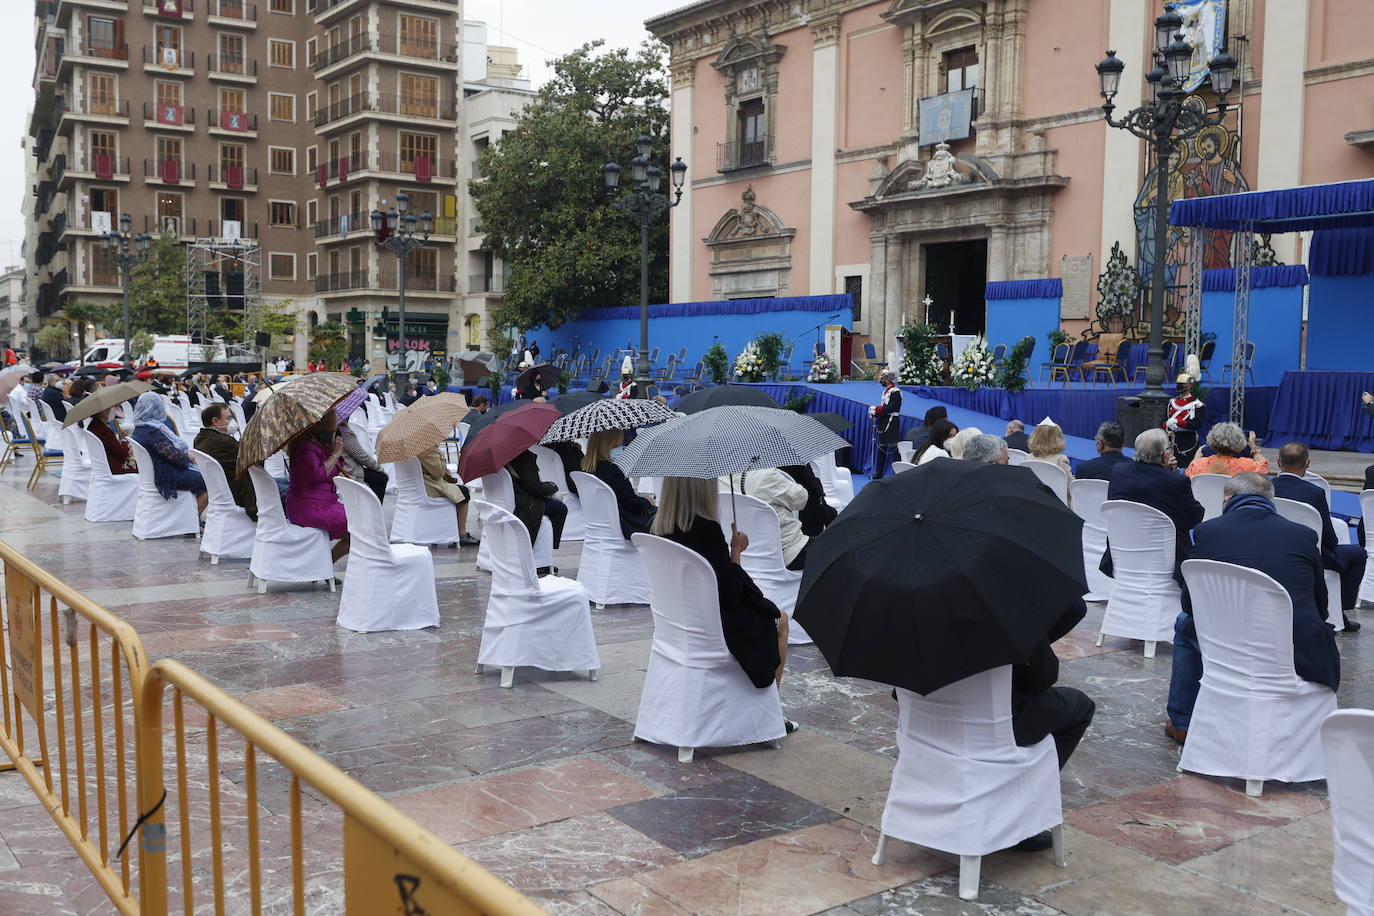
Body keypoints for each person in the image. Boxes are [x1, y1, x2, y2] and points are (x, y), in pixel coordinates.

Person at [1164, 473, 1340, 745]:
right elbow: (1322, 607)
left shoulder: (1208, 533)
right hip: (1293, 651)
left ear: (1227, 500)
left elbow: (1190, 603)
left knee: (1185, 622)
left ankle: (1182, 722)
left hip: (1224, 648)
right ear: (1271, 500)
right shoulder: (1304, 536)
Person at [652, 476, 792, 691]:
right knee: (779, 619)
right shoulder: (706, 530)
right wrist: (736, 552)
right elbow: (732, 595)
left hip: (678, 624)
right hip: (713, 625)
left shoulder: (656, 528)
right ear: (703, 487)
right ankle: (772, 713)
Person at [1273, 442, 1363, 632]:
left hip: (1274, 551)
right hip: (1312, 557)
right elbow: (1329, 540)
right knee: (1358, 554)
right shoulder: (1314, 493)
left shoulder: (1267, 489)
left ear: (1278, 463)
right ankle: (1340, 612)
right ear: (1308, 463)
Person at [1103, 429, 1204, 585]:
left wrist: (1166, 473)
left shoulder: (1118, 472)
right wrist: (1170, 474)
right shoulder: (1176, 482)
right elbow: (1195, 517)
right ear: (1165, 455)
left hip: (1123, 553)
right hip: (1166, 560)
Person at [1013, 597, 1097, 773]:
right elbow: (1043, 679)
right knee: (1080, 705)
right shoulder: (1007, 611)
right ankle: (1038, 781)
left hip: (941, 730)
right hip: (1008, 723)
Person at [286, 410, 351, 565]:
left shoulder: (317, 443)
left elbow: (335, 470)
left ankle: (322, 566)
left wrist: (331, 450)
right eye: (332, 428)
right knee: (358, 524)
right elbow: (318, 474)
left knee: (361, 522)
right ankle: (323, 566)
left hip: (323, 503)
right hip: (307, 506)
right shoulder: (305, 446)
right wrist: (335, 454)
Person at [129, 392, 207, 516]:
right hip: (166, 475)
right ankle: (193, 520)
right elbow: (174, 457)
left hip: (155, 473)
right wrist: (187, 457)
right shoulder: (152, 431)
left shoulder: (140, 428)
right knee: (207, 480)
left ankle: (189, 517)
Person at [721, 466, 809, 570]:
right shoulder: (767, 475)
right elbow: (801, 500)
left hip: (743, 559)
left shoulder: (713, 484)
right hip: (789, 555)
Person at [193, 403, 262, 520]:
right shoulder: (223, 442)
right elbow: (253, 462)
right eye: (229, 418)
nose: (232, 421)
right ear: (215, 421)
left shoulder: (200, 439)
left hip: (224, 492)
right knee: (284, 488)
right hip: (243, 494)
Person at [583, 429, 656, 537]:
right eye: (618, 444)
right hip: (624, 523)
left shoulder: (586, 468)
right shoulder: (613, 471)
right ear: (609, 445)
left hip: (599, 521)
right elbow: (631, 503)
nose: (621, 447)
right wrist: (646, 501)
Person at [507, 448, 566, 575]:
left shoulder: (504, 455)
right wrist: (553, 487)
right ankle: (545, 555)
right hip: (526, 504)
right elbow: (534, 487)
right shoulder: (524, 457)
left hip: (511, 501)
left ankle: (545, 554)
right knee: (560, 509)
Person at [418, 444, 479, 547]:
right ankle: (461, 533)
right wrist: (440, 456)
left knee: (458, 490)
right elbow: (438, 473)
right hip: (431, 487)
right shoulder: (427, 449)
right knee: (464, 493)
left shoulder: (413, 449)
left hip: (421, 486)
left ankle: (451, 530)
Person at [1185, 421, 1268, 478]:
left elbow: (1188, 473)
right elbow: (1264, 468)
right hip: (1234, 503)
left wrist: (1195, 459)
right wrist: (1253, 448)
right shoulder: (1246, 465)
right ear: (1240, 442)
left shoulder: (1198, 464)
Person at [338, 415, 388, 506]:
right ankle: (375, 510)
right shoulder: (344, 431)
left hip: (341, 467)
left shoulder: (334, 430)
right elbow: (362, 457)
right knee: (382, 478)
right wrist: (379, 468)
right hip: (348, 469)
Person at [779, 463, 836, 536]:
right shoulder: (797, 464)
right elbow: (814, 487)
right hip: (804, 511)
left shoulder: (768, 469)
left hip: (780, 511)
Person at [869, 369, 903, 478]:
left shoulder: (895, 392)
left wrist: (877, 409)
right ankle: (879, 472)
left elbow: (891, 407)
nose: (881, 380)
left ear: (888, 379)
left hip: (892, 421)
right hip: (884, 420)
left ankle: (898, 473)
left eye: (883, 378)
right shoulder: (886, 392)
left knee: (894, 448)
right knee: (882, 447)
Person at [88, 406, 138, 475]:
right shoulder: (103, 430)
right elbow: (124, 453)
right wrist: (123, 439)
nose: (110, 410)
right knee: (142, 465)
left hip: (103, 464)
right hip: (114, 466)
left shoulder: (93, 425)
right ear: (101, 412)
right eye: (107, 409)